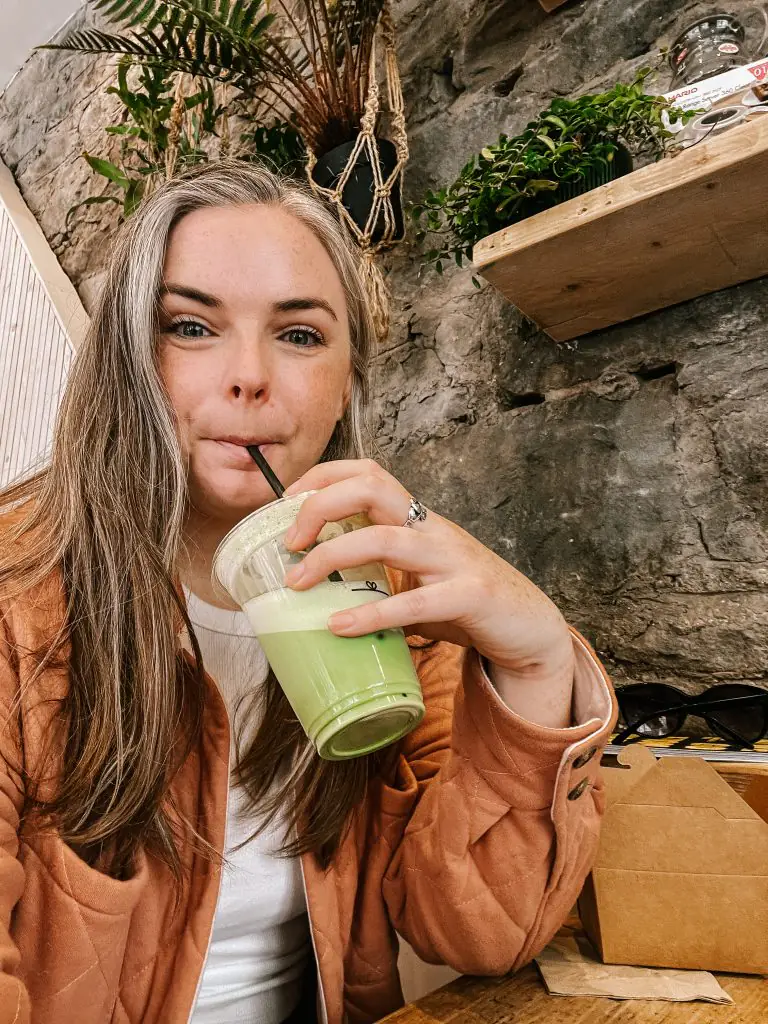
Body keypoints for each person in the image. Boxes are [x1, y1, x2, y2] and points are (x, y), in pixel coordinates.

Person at [0, 161, 616, 1024]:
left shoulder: (394, 600)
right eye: (190, 326)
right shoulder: (15, 600)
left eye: (299, 335)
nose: (249, 376)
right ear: (128, 359)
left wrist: (538, 657)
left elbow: (481, 933)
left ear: (348, 380)